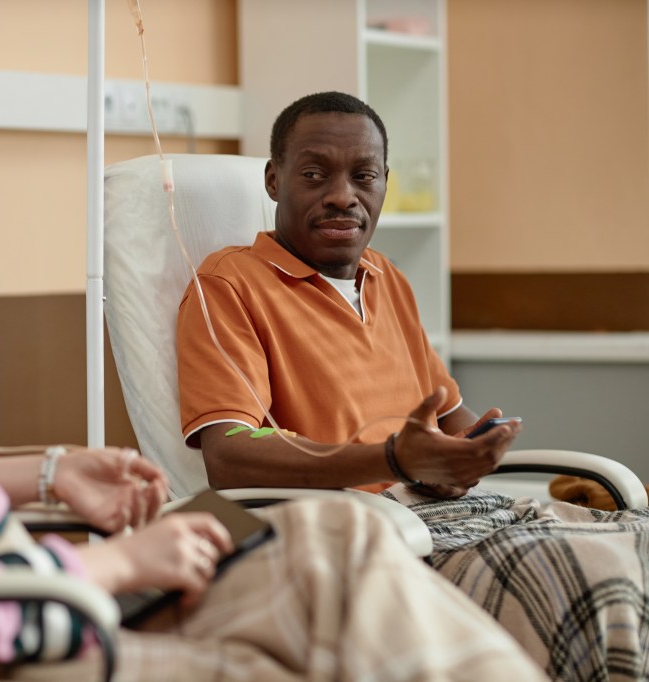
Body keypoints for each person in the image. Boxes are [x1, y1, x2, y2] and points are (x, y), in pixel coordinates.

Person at [0, 41, 546, 681]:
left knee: (342, 546)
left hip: (35, 599)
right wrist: (122, 566)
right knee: (344, 571)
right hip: (16, 639)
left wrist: (48, 472)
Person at [176, 90, 649, 680]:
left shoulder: (386, 277)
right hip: (370, 537)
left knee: (638, 545)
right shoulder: (228, 286)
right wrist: (394, 460)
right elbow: (228, 455)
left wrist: (476, 446)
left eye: (363, 176)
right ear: (275, 180)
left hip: (456, 513)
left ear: (384, 184)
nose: (342, 196)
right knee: (593, 582)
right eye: (315, 174)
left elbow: (447, 416)